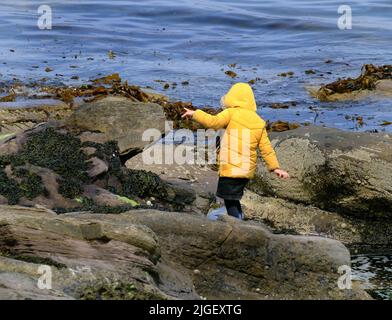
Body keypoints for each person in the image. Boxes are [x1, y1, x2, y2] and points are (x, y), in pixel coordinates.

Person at [182, 82, 289, 220]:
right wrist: (275, 168)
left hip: (232, 167)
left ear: (232, 98)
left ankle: (237, 223)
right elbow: (266, 148)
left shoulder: (232, 113)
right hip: (246, 170)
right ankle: (238, 218)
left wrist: (195, 113)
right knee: (233, 198)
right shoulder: (259, 121)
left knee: (229, 199)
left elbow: (212, 122)